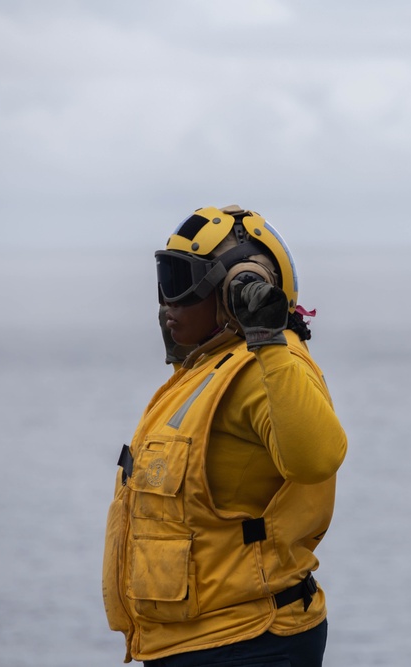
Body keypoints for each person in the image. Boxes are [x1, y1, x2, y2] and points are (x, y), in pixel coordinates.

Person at [102, 205, 348, 666]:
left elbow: (316, 459)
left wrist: (268, 341)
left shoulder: (267, 366)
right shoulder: (204, 369)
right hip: (191, 641)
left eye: (181, 283)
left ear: (237, 288)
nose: (167, 302)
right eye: (164, 279)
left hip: (251, 642)